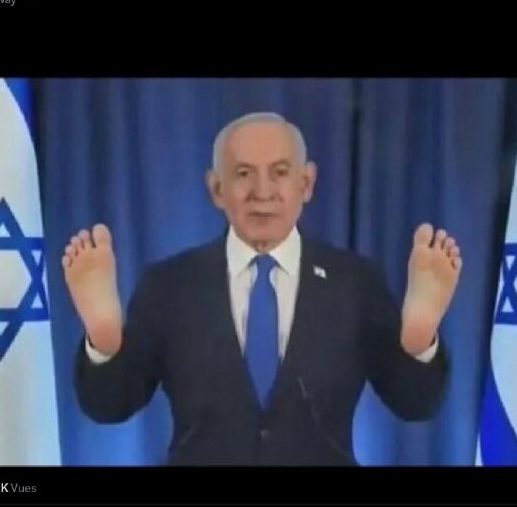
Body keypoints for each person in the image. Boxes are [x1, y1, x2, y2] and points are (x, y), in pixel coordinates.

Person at [63, 112, 462, 465]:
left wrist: (419, 342)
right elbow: (109, 406)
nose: (263, 191)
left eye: (280, 172)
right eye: (243, 174)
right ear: (216, 189)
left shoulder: (355, 283)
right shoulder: (169, 286)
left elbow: (414, 404)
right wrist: (104, 343)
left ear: (306, 183)